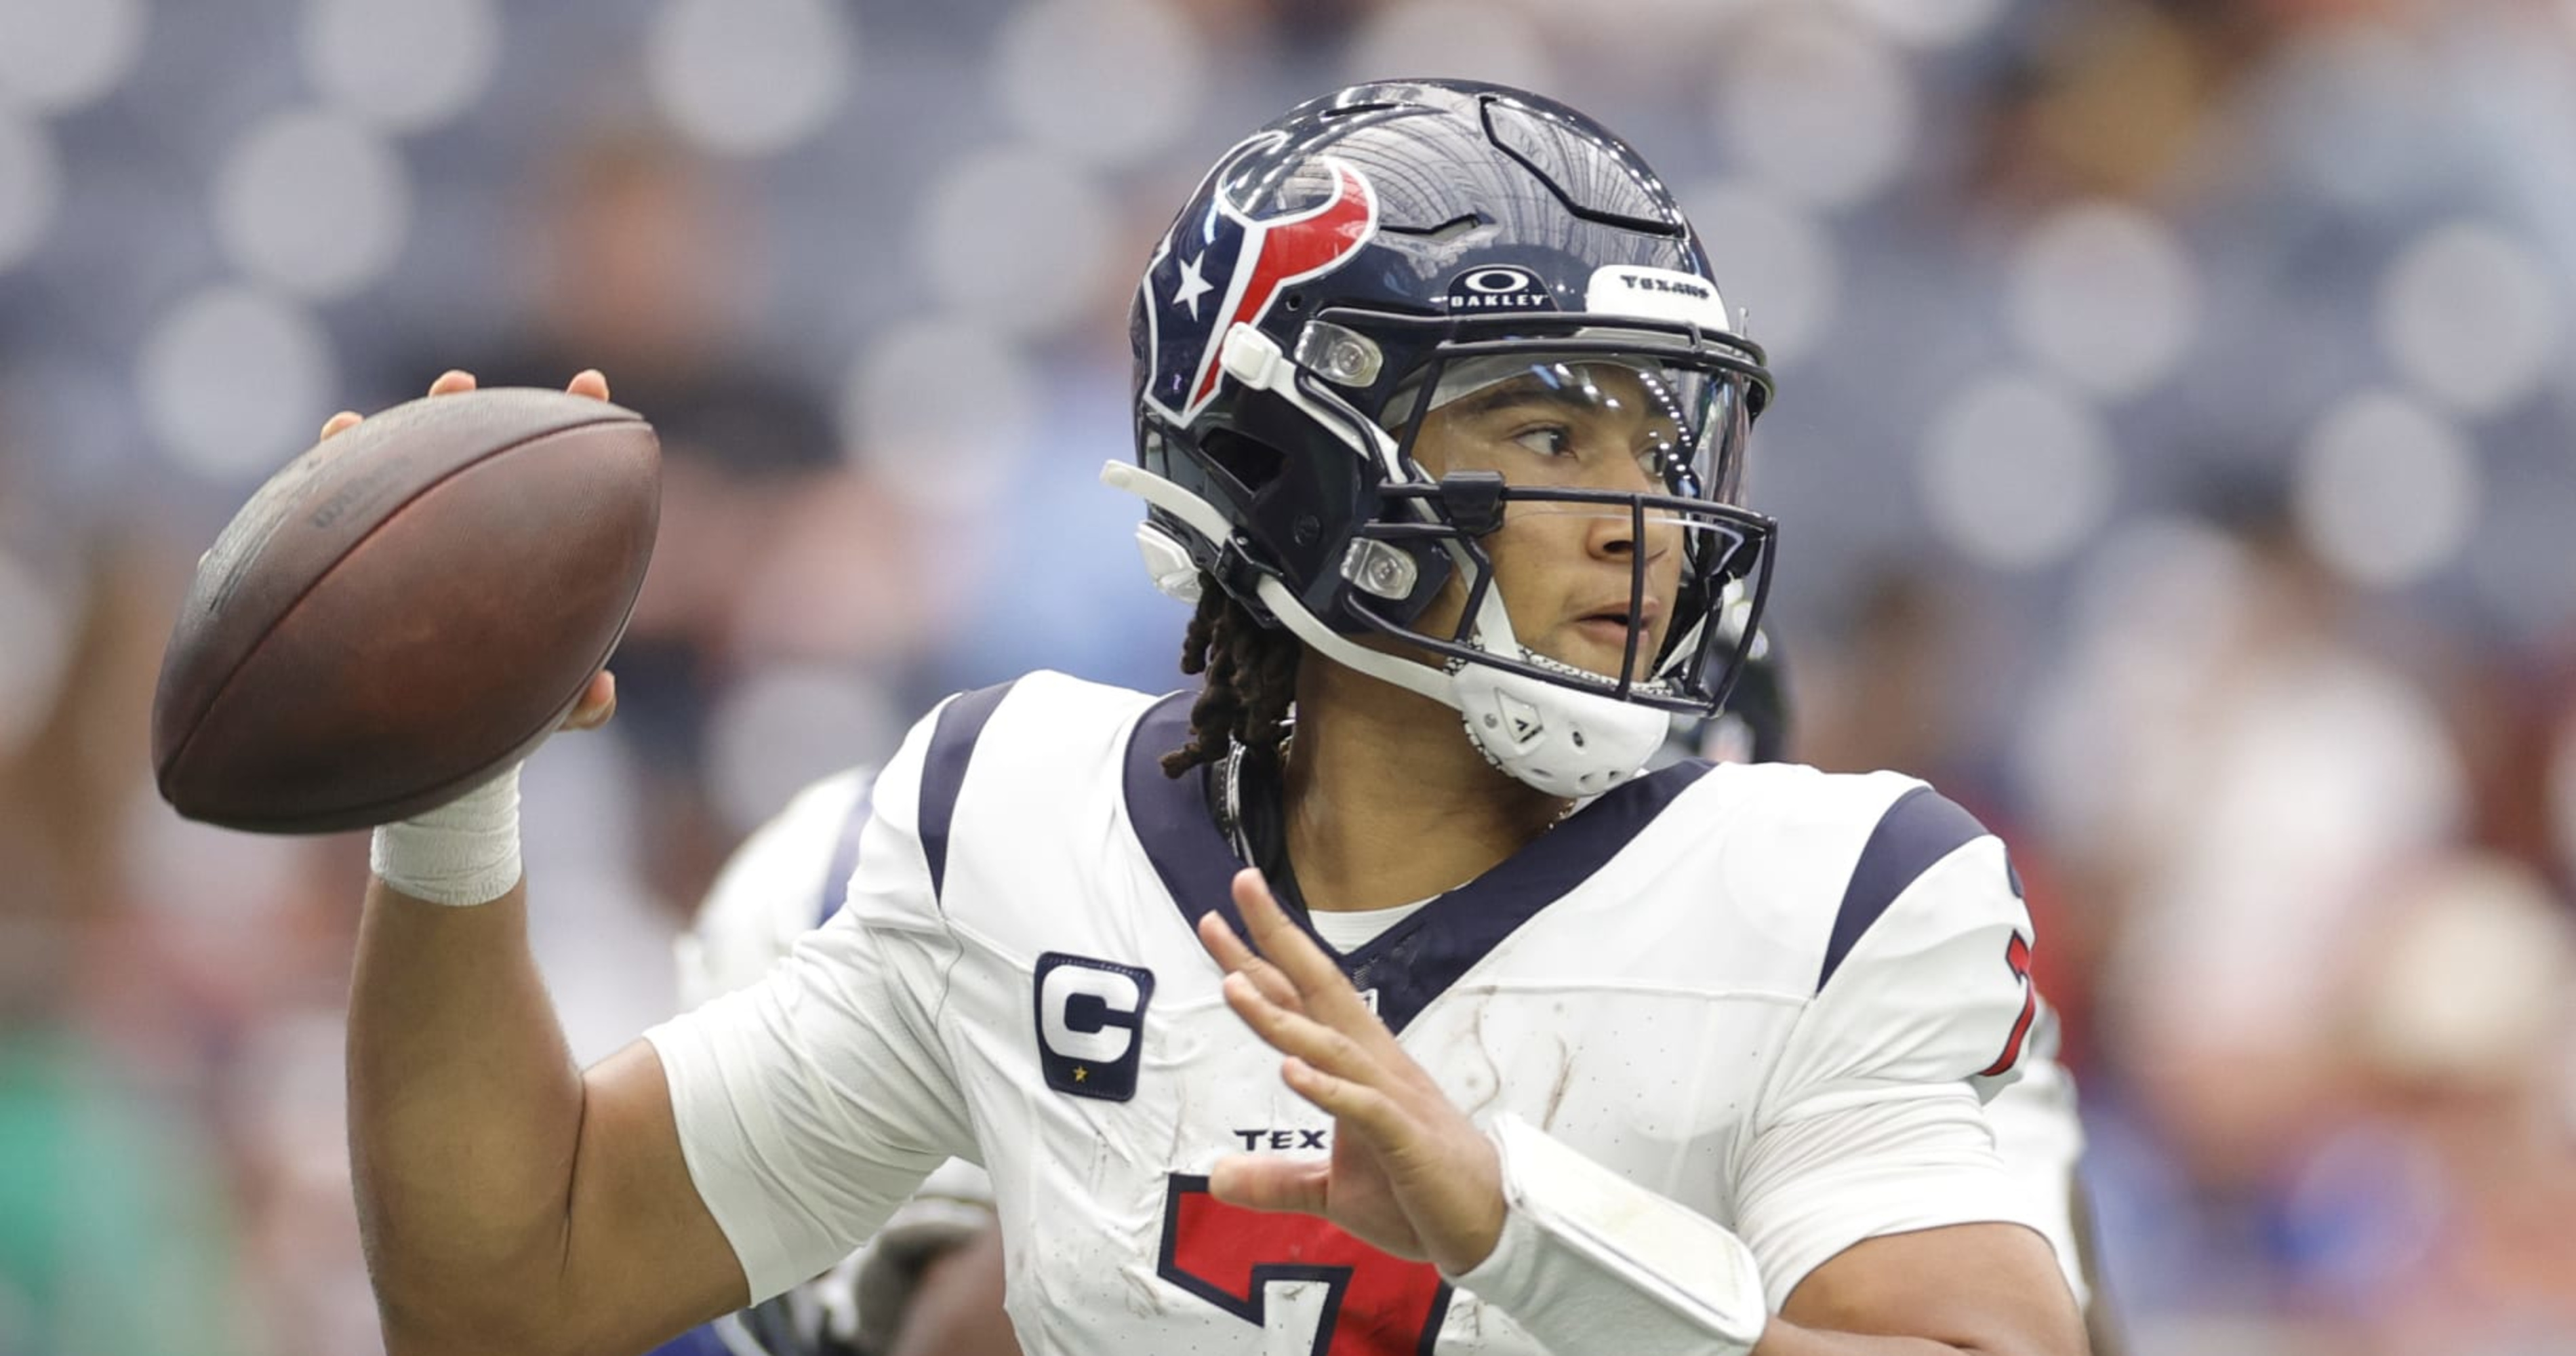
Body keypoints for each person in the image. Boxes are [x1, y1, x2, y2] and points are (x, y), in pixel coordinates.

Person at [338, 81, 2086, 1356]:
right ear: (1298, 464)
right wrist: (447, 799)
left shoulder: (1849, 885)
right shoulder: (1012, 823)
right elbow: (516, 1280)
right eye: (1555, 440)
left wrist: (1521, 1232)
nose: (1641, 519)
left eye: (1662, 443)